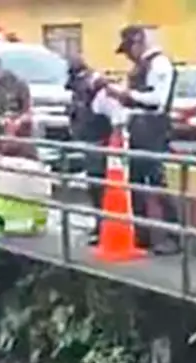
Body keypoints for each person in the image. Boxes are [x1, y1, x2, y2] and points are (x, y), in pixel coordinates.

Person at [103, 25, 181, 254]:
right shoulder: (141, 67)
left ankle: (173, 237)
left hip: (154, 126)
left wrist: (127, 95)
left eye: (129, 48)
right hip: (138, 126)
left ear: (139, 43)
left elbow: (158, 100)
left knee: (156, 180)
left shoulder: (159, 64)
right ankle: (143, 235)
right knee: (136, 181)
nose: (127, 55)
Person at [66, 55, 123, 245]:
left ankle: (106, 228)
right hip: (91, 143)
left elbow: (116, 116)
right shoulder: (86, 89)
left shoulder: (98, 90)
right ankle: (100, 226)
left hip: (102, 144)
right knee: (95, 188)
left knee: (101, 189)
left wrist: (115, 142)